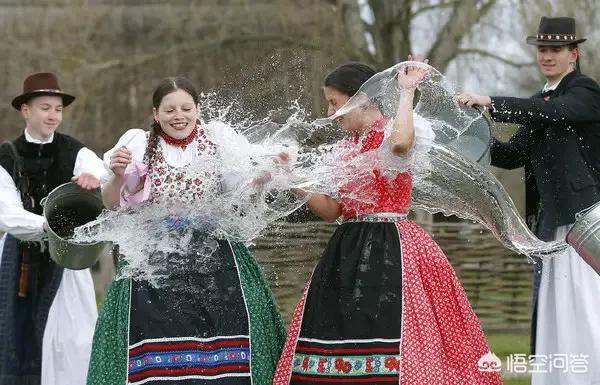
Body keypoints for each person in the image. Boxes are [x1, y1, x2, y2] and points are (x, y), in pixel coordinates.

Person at [272, 62, 502, 384]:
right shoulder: (343, 149)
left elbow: (400, 145)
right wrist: (291, 178)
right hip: (347, 250)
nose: (330, 112)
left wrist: (406, 92)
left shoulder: (394, 132)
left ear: (362, 100)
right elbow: (331, 210)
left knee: (400, 326)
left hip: (393, 245)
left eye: (334, 103)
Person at [86, 76, 285, 385]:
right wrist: (117, 175)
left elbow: (240, 189)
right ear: (155, 114)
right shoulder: (138, 144)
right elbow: (112, 203)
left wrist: (262, 175)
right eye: (169, 110)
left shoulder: (218, 140)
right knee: (154, 332)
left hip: (215, 254)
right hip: (156, 259)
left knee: (228, 330)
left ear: (197, 109)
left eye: (185, 108)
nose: (178, 116)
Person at [457, 16, 600, 385]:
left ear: (574, 53)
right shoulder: (539, 100)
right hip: (552, 225)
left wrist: (491, 101)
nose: (547, 56)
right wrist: (471, 128)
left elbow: (558, 113)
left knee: (589, 308)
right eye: (543, 49)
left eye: (556, 50)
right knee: (557, 311)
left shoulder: (584, 91)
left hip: (588, 222)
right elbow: (512, 154)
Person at [0, 72, 107, 385]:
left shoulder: (73, 150)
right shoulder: (6, 156)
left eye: (58, 109)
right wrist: (47, 226)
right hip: (18, 258)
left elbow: (101, 173)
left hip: (67, 259)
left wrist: (93, 179)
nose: (53, 115)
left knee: (74, 339)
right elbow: (6, 214)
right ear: (26, 111)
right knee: (15, 337)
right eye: (45, 107)